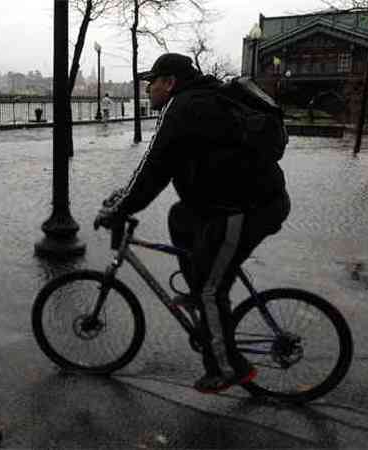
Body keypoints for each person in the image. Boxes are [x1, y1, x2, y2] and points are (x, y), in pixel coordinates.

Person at [93, 53, 290, 393]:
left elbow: (153, 167)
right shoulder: (200, 101)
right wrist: (124, 198)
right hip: (229, 203)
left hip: (245, 209)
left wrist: (119, 209)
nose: (146, 90)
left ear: (169, 83)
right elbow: (157, 169)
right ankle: (200, 292)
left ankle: (228, 368)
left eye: (150, 83)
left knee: (212, 290)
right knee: (180, 216)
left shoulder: (182, 107)